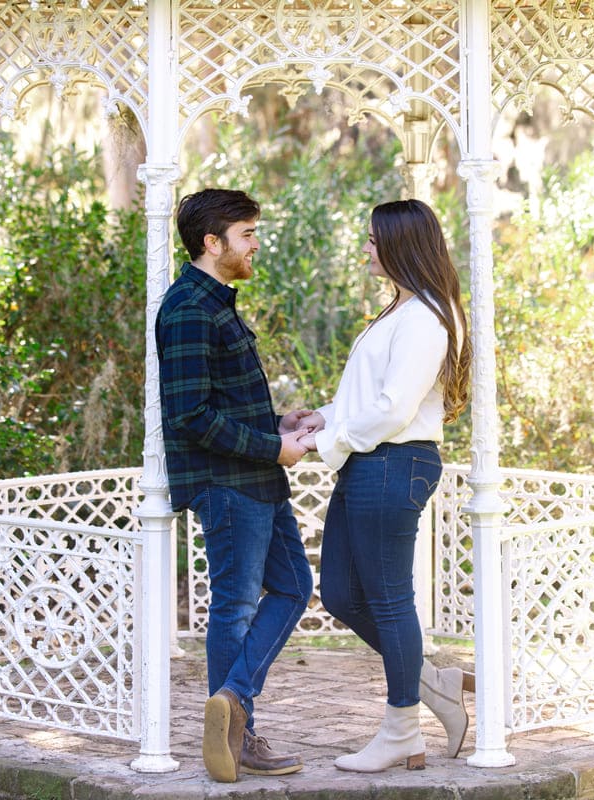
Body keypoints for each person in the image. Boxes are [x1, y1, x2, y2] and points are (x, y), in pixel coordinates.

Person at [297, 199, 474, 772]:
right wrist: (323, 418)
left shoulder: (426, 316)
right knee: (343, 593)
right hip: (370, 460)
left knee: (391, 598)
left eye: (373, 240)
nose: (366, 249)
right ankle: (433, 683)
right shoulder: (401, 311)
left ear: (401, 244)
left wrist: (328, 442)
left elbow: (396, 409)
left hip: (395, 462)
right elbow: (372, 398)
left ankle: (402, 730)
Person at [156, 188, 314, 783]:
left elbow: (222, 406)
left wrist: (281, 425)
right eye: (247, 234)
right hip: (229, 485)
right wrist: (274, 447)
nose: (255, 245)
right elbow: (191, 415)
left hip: (257, 479)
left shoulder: (217, 304)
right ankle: (234, 735)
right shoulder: (189, 309)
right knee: (236, 605)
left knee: (294, 586)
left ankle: (234, 700)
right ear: (211, 243)